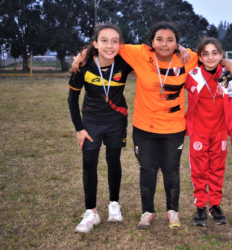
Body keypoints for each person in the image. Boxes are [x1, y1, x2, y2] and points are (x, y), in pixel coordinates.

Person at [71, 21, 232, 230]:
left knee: (171, 170)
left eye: (171, 40)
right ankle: (147, 212)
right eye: (159, 39)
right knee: (147, 170)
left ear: (177, 43)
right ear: (151, 41)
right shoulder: (139, 53)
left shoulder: (187, 57)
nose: (164, 44)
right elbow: (108, 45)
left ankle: (173, 212)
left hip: (174, 127)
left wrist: (227, 62)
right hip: (144, 126)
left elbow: (210, 56)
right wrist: (83, 53)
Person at [68, 22, 133, 233]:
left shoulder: (124, 62)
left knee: (113, 162)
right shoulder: (83, 66)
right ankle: (91, 212)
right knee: (89, 164)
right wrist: (79, 128)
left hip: (116, 122)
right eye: (104, 40)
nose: (109, 45)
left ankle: (114, 203)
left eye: (115, 41)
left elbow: (152, 53)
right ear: (95, 43)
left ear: (121, 44)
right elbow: (72, 99)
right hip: (91, 123)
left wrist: (178, 48)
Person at [185, 37, 232, 226]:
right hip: (198, 132)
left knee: (217, 170)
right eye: (206, 54)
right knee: (199, 171)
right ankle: (200, 206)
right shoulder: (192, 75)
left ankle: (214, 205)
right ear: (200, 57)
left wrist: (228, 64)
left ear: (221, 55)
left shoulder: (230, 76)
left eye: (215, 53)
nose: (210, 57)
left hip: (219, 133)